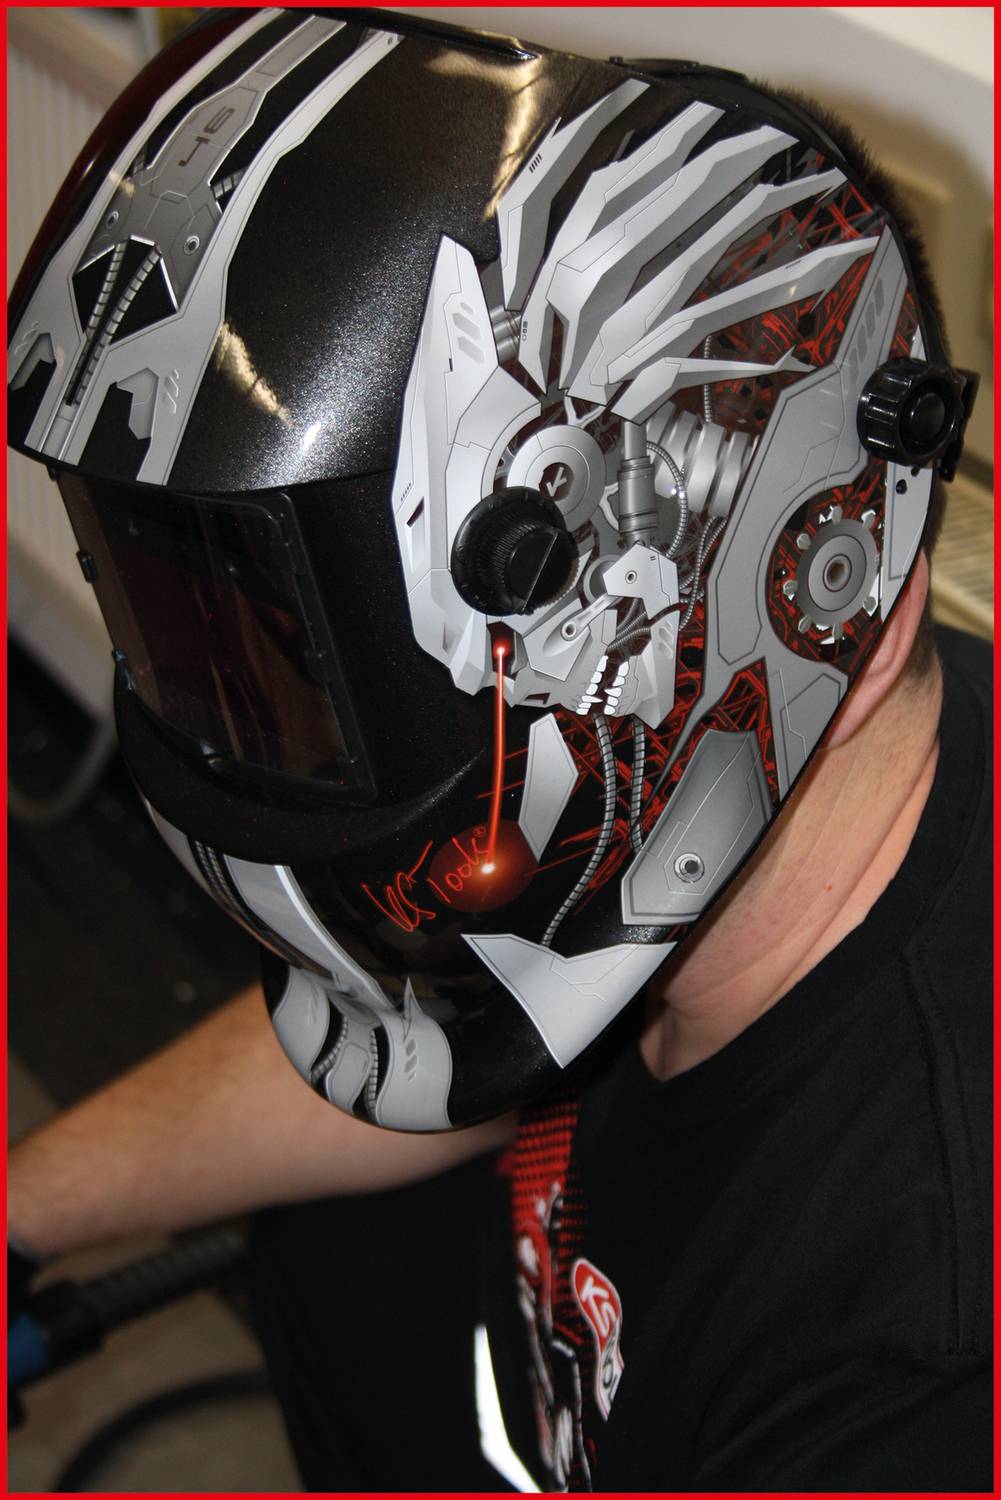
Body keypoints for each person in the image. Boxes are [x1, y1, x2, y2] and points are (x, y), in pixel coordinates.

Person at [7, 7, 990, 1491]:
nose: (241, 738)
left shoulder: (916, 1358)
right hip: (537, 1329)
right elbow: (406, 999)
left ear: (819, 576)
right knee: (333, 1239)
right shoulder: (695, 863)